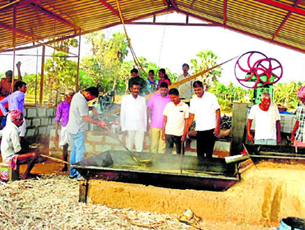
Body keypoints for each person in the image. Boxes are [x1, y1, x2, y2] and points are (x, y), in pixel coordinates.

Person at [67, 87, 107, 181]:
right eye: (91, 98)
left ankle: (72, 173)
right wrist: (99, 123)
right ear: (88, 94)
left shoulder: (77, 95)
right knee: (80, 151)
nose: (91, 100)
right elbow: (86, 118)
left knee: (74, 150)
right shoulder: (81, 101)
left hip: (72, 128)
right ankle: (79, 174)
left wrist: (91, 108)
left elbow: (81, 109)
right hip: (78, 129)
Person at [183, 81, 221, 159]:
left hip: (211, 128)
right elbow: (191, 116)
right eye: (195, 90)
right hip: (200, 129)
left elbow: (218, 111)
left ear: (203, 88)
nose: (197, 92)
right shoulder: (193, 100)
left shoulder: (211, 97)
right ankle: (200, 169)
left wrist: (218, 126)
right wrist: (186, 129)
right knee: (200, 153)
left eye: (199, 90)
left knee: (209, 152)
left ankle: (208, 169)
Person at [1, 109, 39, 180]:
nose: (22, 121)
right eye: (20, 120)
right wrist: (29, 152)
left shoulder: (8, 127)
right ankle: (26, 175)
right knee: (34, 156)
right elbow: (18, 150)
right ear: (15, 120)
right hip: (10, 158)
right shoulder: (13, 131)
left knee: (32, 154)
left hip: (6, 156)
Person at [120, 82, 147, 152]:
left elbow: (144, 114)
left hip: (140, 127)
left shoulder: (142, 99)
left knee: (139, 148)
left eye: (138, 89)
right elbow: (122, 114)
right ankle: (129, 162)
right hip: (129, 126)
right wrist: (123, 128)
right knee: (129, 147)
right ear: (131, 89)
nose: (136, 90)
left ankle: (138, 162)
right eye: (134, 88)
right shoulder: (125, 99)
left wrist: (145, 128)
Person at [162, 88, 189, 155]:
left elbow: (187, 121)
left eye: (174, 97)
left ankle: (180, 165)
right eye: (171, 98)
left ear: (178, 96)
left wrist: (185, 133)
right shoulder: (168, 105)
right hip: (169, 132)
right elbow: (165, 119)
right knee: (168, 152)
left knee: (180, 152)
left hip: (179, 133)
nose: (172, 99)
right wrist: (163, 132)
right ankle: (167, 165)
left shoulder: (185, 106)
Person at [0, 81, 27, 146]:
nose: (26, 89)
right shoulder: (21, 94)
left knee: (9, 132)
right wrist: (17, 113)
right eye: (24, 87)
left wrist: (5, 113)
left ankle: (5, 148)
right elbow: (15, 100)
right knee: (20, 133)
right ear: (19, 88)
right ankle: (17, 149)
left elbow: (1, 102)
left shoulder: (11, 95)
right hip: (17, 116)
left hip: (10, 116)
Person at [147, 82, 171, 153]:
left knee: (162, 146)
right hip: (154, 125)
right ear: (159, 89)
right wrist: (147, 121)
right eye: (161, 90)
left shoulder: (170, 98)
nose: (163, 91)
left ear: (167, 90)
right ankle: (153, 161)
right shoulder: (154, 97)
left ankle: (160, 163)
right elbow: (148, 108)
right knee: (153, 145)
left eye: (165, 90)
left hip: (165, 126)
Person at [55, 89, 75, 171]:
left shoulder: (75, 105)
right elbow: (57, 119)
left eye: (73, 95)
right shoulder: (61, 105)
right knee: (65, 146)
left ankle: (73, 165)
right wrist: (56, 132)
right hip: (65, 127)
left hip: (74, 127)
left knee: (74, 146)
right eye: (71, 95)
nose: (72, 97)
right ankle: (65, 165)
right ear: (66, 96)